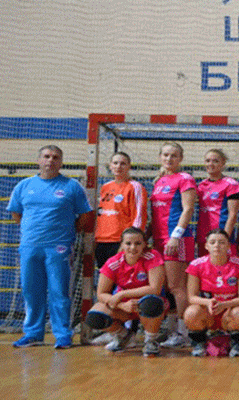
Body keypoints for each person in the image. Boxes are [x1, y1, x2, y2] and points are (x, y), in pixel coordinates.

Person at [7, 145, 93, 349]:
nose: (50, 160)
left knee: (59, 292)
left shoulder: (72, 186)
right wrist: (32, 232)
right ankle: (33, 333)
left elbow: (84, 216)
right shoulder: (24, 186)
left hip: (58, 247)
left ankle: (63, 334)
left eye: (55, 157)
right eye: (46, 156)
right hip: (30, 246)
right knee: (31, 291)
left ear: (61, 162)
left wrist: (66, 234)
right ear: (39, 160)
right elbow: (16, 213)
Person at [84, 227, 166, 356]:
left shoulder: (152, 256)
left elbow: (155, 289)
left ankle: (151, 340)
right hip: (124, 306)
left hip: (148, 303)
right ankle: (123, 336)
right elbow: (101, 294)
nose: (133, 247)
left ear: (144, 244)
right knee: (95, 315)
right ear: (122, 244)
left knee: (151, 303)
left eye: (138, 243)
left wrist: (122, 294)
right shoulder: (113, 263)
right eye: (128, 243)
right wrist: (122, 305)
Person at [150, 142, 197, 348]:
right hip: (159, 239)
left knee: (178, 287)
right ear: (160, 157)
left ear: (181, 158)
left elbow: (188, 209)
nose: (169, 159)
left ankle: (184, 332)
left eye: (174, 155)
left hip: (176, 238)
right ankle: (171, 330)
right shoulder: (159, 181)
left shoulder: (185, 179)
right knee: (166, 287)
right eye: (166, 155)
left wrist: (176, 236)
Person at [184, 229, 239, 358]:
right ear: (206, 246)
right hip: (208, 312)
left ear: (228, 246)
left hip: (229, 312)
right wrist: (208, 302)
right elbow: (191, 297)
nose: (217, 245)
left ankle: (236, 343)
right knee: (191, 312)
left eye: (221, 242)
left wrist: (224, 305)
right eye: (212, 242)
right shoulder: (196, 265)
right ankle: (199, 343)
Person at [95, 152, 148, 269]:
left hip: (121, 241)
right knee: (104, 277)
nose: (118, 166)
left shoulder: (135, 187)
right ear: (110, 166)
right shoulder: (105, 187)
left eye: (123, 163)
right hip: (102, 241)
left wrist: (128, 243)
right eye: (115, 163)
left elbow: (139, 217)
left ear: (129, 166)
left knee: (121, 276)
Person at [196, 149, 239, 257]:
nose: (211, 164)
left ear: (223, 163)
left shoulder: (231, 184)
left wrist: (224, 238)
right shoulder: (201, 185)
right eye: (208, 161)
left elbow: (233, 214)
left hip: (221, 235)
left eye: (215, 161)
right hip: (204, 237)